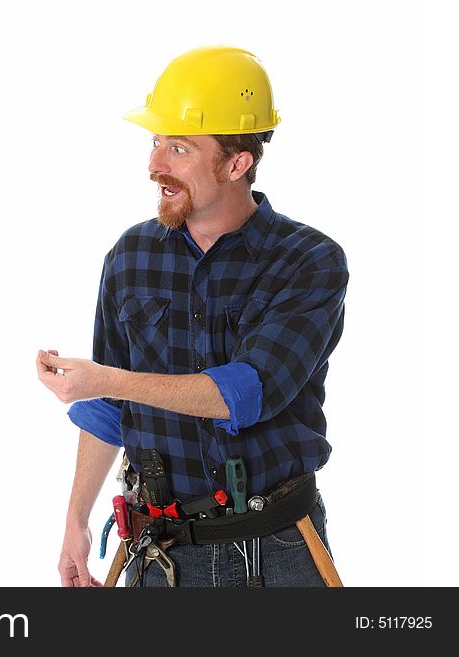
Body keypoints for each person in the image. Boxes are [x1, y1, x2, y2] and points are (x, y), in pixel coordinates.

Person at [36, 46, 348, 588]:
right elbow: (109, 411)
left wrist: (105, 379)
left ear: (236, 162)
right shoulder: (131, 257)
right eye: (155, 142)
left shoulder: (308, 260)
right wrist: (75, 521)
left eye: (178, 148)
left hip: (276, 549)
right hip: (161, 552)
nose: (155, 165)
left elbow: (245, 393)